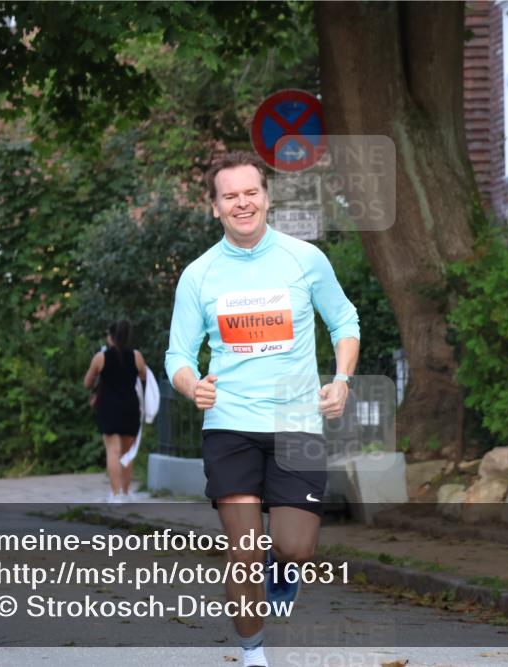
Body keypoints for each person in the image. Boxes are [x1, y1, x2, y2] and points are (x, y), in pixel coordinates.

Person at [165, 151, 359, 667]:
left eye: (250, 192)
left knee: (294, 549)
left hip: (296, 422)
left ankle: (285, 568)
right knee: (244, 549)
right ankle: (254, 652)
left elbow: (344, 321)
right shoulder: (199, 275)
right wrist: (191, 387)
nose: (242, 203)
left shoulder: (304, 259)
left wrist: (340, 381)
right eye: (230, 196)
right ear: (215, 208)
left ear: (267, 198)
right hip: (229, 425)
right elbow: (178, 355)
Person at [84, 319, 147, 503]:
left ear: (110, 337)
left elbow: (87, 382)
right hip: (130, 407)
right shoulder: (136, 356)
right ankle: (127, 493)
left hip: (108, 407)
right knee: (127, 452)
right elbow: (144, 375)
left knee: (113, 450)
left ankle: (116, 494)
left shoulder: (100, 357)